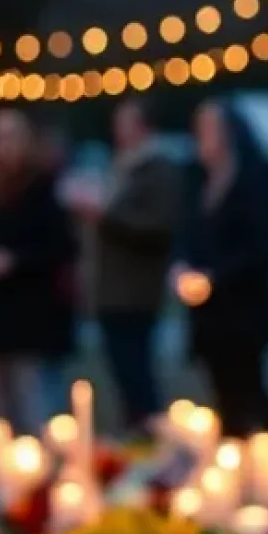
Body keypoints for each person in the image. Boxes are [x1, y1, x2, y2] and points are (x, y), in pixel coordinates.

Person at [0, 110, 76, 428]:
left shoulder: (41, 187)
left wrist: (14, 260)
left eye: (12, 136)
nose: (5, 146)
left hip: (29, 313)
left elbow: (59, 247)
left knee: (33, 403)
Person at [180, 101, 268, 441]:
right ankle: (232, 460)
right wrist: (183, 268)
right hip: (209, 312)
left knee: (250, 389)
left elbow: (261, 246)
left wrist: (216, 277)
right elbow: (188, 233)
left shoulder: (254, 177)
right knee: (222, 390)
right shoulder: (198, 178)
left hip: (242, 306)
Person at [82, 97, 182, 431]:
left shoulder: (157, 169)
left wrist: (108, 216)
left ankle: (151, 432)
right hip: (112, 289)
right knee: (121, 369)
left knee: (136, 369)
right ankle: (136, 430)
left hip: (136, 289)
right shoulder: (122, 167)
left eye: (125, 123)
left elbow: (157, 226)